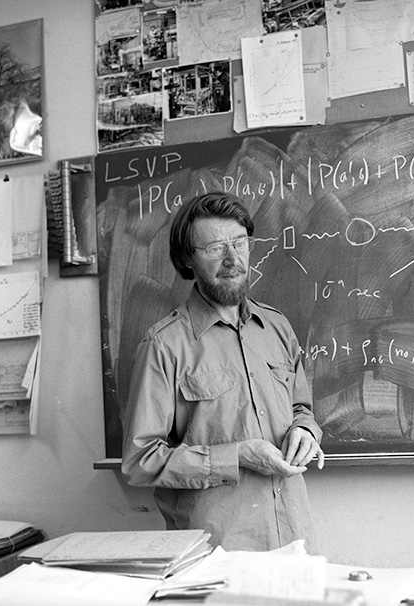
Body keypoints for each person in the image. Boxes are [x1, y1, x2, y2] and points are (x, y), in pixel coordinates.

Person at [121, 191, 324, 552]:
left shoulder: (277, 328)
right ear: (187, 259)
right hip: (215, 553)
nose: (233, 259)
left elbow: (301, 409)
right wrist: (238, 455)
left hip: (294, 538)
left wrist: (306, 431)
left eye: (240, 243)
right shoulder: (163, 346)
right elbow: (140, 461)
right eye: (215, 248)